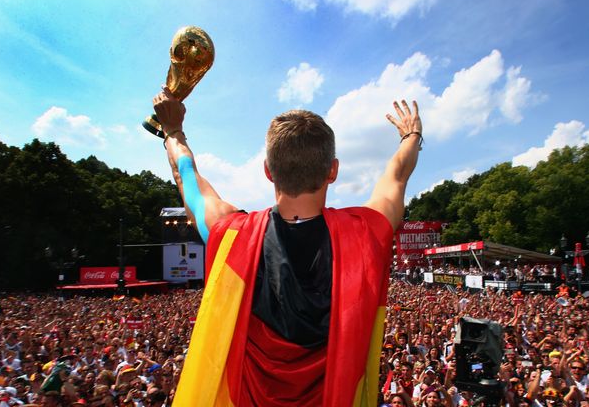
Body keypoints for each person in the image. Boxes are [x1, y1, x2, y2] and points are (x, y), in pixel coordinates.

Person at [152, 88, 422, 406]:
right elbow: (397, 177)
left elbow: (185, 176)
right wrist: (411, 134)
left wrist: (172, 130)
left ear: (268, 170)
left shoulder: (231, 236)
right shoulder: (363, 236)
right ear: (333, 171)